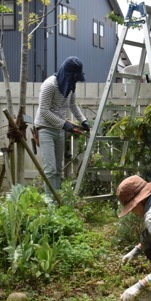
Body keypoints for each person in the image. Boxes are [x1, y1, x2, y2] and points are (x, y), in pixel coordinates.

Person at [34, 56, 90, 197]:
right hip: (44, 128)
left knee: (58, 169)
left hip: (59, 129)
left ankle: (57, 199)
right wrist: (65, 125)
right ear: (68, 74)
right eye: (74, 77)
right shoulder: (49, 85)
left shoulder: (69, 86)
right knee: (50, 169)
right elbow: (44, 111)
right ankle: (49, 202)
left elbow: (72, 104)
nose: (75, 81)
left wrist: (83, 120)